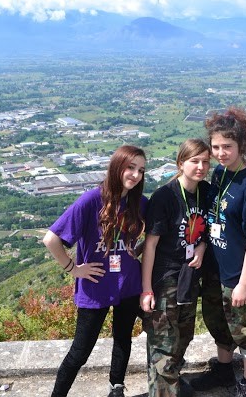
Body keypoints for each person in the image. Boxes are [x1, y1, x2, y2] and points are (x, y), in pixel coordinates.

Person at [43, 145, 148, 397]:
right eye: (130, 167)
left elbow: (156, 235)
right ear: (117, 167)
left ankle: (116, 387)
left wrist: (138, 248)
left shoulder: (140, 203)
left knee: (123, 338)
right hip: (96, 285)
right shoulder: (92, 201)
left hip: (129, 283)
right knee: (80, 351)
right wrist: (73, 268)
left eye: (141, 170)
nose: (135, 174)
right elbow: (51, 239)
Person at [190, 106, 246, 397]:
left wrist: (244, 284)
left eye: (228, 146)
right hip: (215, 267)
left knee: (245, 330)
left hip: (238, 274)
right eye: (216, 147)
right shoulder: (221, 174)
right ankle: (224, 371)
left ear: (242, 145)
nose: (221, 153)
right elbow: (213, 218)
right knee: (218, 323)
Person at [141, 139, 211, 397]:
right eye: (195, 161)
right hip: (165, 279)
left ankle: (171, 384)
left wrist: (202, 247)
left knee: (183, 336)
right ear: (181, 163)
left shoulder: (205, 192)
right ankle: (163, 391)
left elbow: (205, 229)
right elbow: (150, 246)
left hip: (189, 277)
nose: (201, 167)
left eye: (205, 161)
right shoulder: (165, 197)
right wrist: (146, 289)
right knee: (163, 344)